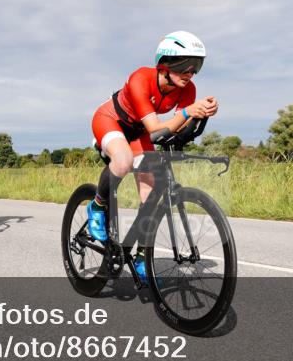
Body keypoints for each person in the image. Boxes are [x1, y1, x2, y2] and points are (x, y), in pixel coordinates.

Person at [88, 31, 218, 280]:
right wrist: (189, 112)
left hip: (140, 132)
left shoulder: (187, 89)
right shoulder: (141, 78)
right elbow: (157, 129)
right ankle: (97, 205)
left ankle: (141, 257)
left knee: (150, 196)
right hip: (111, 120)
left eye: (196, 66)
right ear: (165, 64)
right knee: (123, 161)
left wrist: (201, 114)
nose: (190, 72)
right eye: (185, 65)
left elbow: (175, 129)